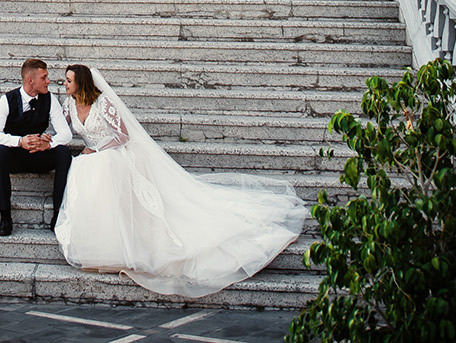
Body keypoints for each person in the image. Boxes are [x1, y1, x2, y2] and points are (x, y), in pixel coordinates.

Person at [53, 63, 308, 298]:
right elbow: (62, 131)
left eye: (68, 80)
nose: (64, 84)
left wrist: (96, 149)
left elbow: (123, 135)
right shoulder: (68, 105)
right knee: (83, 168)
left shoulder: (103, 103)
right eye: (65, 80)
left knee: (100, 166)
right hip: (90, 157)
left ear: (81, 83)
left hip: (114, 153)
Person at [0, 57, 74, 237]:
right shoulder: (7, 100)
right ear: (30, 80)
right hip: (16, 157)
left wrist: (48, 144)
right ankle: (5, 217)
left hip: (40, 156)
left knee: (63, 152)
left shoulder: (50, 99)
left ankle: (57, 214)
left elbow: (66, 134)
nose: (48, 81)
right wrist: (19, 141)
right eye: (44, 77)